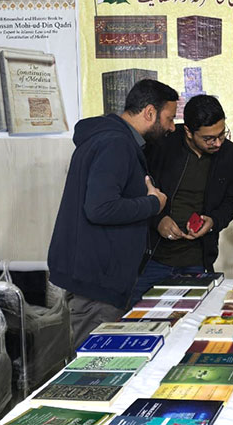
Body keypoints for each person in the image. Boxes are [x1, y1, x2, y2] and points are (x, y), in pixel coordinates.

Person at [48, 79, 177, 347]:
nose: (172, 127)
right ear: (150, 113)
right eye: (169, 118)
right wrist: (154, 204)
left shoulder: (111, 139)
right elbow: (100, 208)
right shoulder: (115, 143)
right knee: (94, 367)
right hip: (97, 282)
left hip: (97, 276)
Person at [133, 94, 233, 301]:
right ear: (188, 132)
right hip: (151, 259)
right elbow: (137, 191)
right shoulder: (161, 146)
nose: (217, 143)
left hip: (197, 259)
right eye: (209, 138)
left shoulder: (230, 155)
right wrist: (158, 220)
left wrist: (213, 222)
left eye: (222, 134)